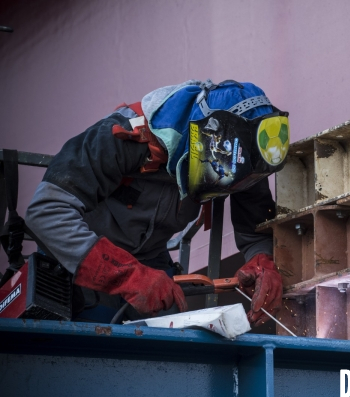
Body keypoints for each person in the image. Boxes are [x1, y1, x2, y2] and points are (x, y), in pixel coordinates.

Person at [25, 79, 284, 326]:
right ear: (206, 142)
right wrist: (128, 276)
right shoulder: (121, 135)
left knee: (171, 350)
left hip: (151, 263)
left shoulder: (242, 156)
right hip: (78, 263)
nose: (235, 187)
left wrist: (264, 262)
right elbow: (46, 213)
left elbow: (255, 230)